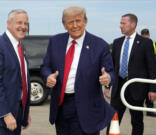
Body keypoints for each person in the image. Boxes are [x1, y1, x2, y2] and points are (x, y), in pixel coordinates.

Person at [41, 6, 115, 135]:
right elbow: (45, 66)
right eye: (70, 22)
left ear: (85, 21)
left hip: (87, 107)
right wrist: (48, 76)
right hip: (61, 106)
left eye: (78, 20)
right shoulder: (55, 41)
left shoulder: (100, 45)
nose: (75, 25)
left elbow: (111, 72)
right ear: (64, 25)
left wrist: (107, 77)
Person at [0, 9, 31, 135]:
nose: (23, 27)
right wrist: (5, 114)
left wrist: (25, 112)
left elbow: (22, 81)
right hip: (1, 116)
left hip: (18, 112)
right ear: (8, 23)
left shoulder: (20, 47)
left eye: (26, 23)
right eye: (19, 22)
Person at [105, 13, 156, 135]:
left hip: (136, 88)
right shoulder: (117, 42)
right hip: (118, 87)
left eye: (123, 23)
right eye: (120, 23)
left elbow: (152, 68)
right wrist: (107, 86)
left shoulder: (145, 43)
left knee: (137, 121)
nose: (120, 26)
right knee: (113, 119)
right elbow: (111, 67)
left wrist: (153, 89)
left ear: (133, 25)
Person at [141, 28, 156, 117]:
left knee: (150, 90)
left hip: (150, 70)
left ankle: (149, 109)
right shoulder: (149, 43)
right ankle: (148, 109)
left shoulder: (151, 43)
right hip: (145, 71)